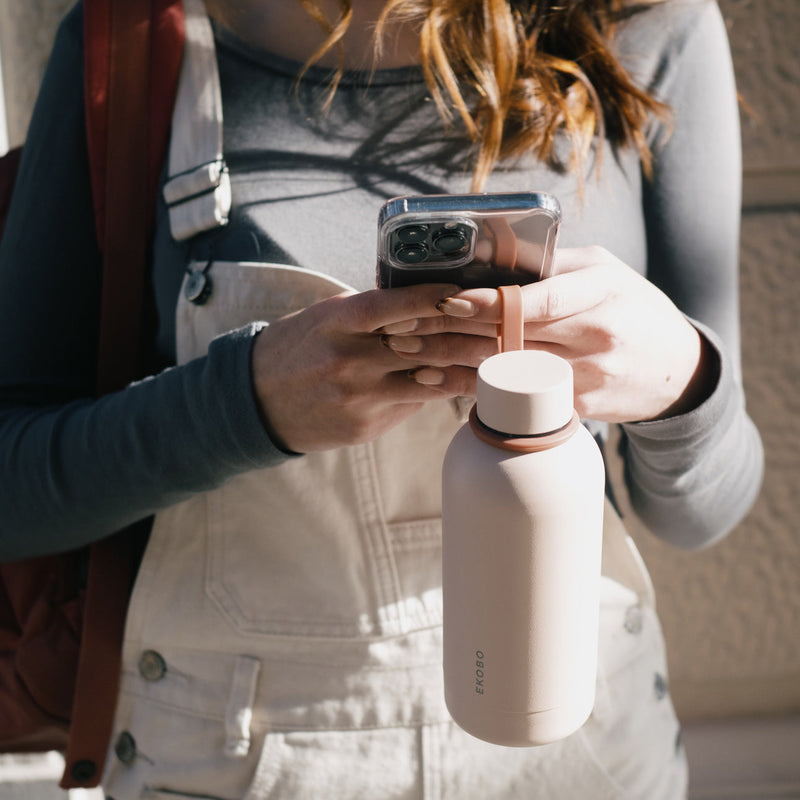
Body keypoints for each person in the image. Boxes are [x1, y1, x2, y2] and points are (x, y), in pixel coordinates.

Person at [0, 0, 763, 797]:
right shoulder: (132, 39)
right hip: (226, 763)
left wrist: (684, 379)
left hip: (585, 753)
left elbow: (705, 513)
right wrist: (245, 402)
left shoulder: (646, 24)